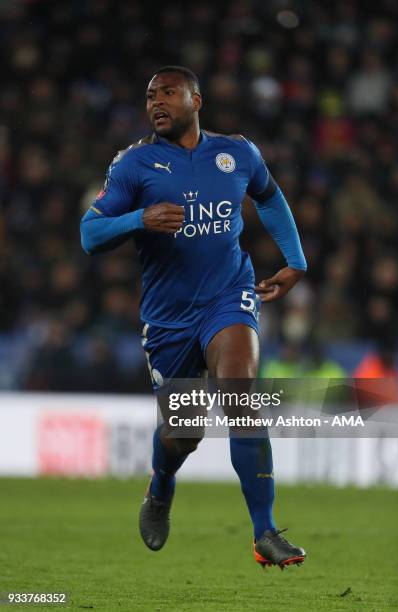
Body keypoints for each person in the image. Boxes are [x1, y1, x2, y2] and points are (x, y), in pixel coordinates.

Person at [80, 66, 307, 570]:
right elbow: (89, 236)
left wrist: (295, 261)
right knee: (184, 433)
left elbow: (268, 196)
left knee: (239, 393)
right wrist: (139, 218)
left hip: (230, 295)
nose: (156, 102)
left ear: (196, 100)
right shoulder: (133, 166)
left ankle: (265, 532)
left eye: (167, 93)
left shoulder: (237, 153)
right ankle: (160, 487)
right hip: (169, 318)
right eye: (149, 96)